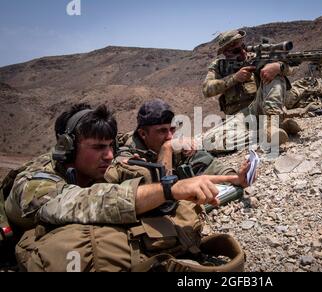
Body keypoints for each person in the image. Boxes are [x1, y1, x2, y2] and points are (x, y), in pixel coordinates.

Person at [5, 103, 245, 272]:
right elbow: (80, 202)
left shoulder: (98, 165)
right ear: (68, 148)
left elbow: (134, 176)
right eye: (98, 147)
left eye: (111, 146)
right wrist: (169, 190)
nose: (109, 155)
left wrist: (229, 180)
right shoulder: (34, 182)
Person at [202, 30, 301, 151]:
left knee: (273, 72)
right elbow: (206, 89)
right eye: (235, 51)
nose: (242, 52)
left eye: (242, 47)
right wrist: (233, 79)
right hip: (239, 117)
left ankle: (273, 125)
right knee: (209, 141)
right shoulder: (218, 65)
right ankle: (270, 131)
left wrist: (278, 67)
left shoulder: (258, 58)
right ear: (225, 52)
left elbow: (292, 69)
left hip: (261, 107)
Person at [116, 99, 249, 186]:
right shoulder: (128, 157)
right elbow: (161, 192)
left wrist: (234, 177)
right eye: (162, 131)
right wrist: (166, 150)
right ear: (143, 134)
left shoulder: (175, 142)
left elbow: (207, 164)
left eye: (172, 129)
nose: (169, 136)